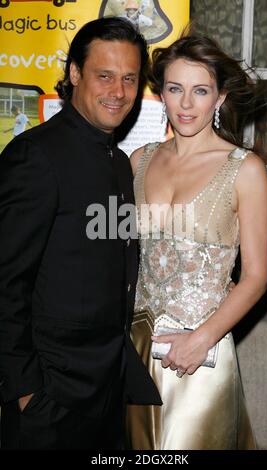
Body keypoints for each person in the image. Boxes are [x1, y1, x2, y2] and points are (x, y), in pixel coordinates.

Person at [0, 17, 161, 450]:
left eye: (129, 78)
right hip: (51, 398)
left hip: (107, 389)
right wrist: (24, 391)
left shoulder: (117, 161)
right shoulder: (35, 156)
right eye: (104, 76)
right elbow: (6, 283)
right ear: (74, 74)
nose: (119, 92)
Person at [126, 33, 267, 449]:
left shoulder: (245, 171)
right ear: (162, 94)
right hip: (135, 349)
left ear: (220, 97)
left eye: (200, 90)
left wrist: (201, 339)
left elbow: (257, 277)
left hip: (199, 354)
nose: (186, 104)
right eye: (175, 89)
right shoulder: (141, 160)